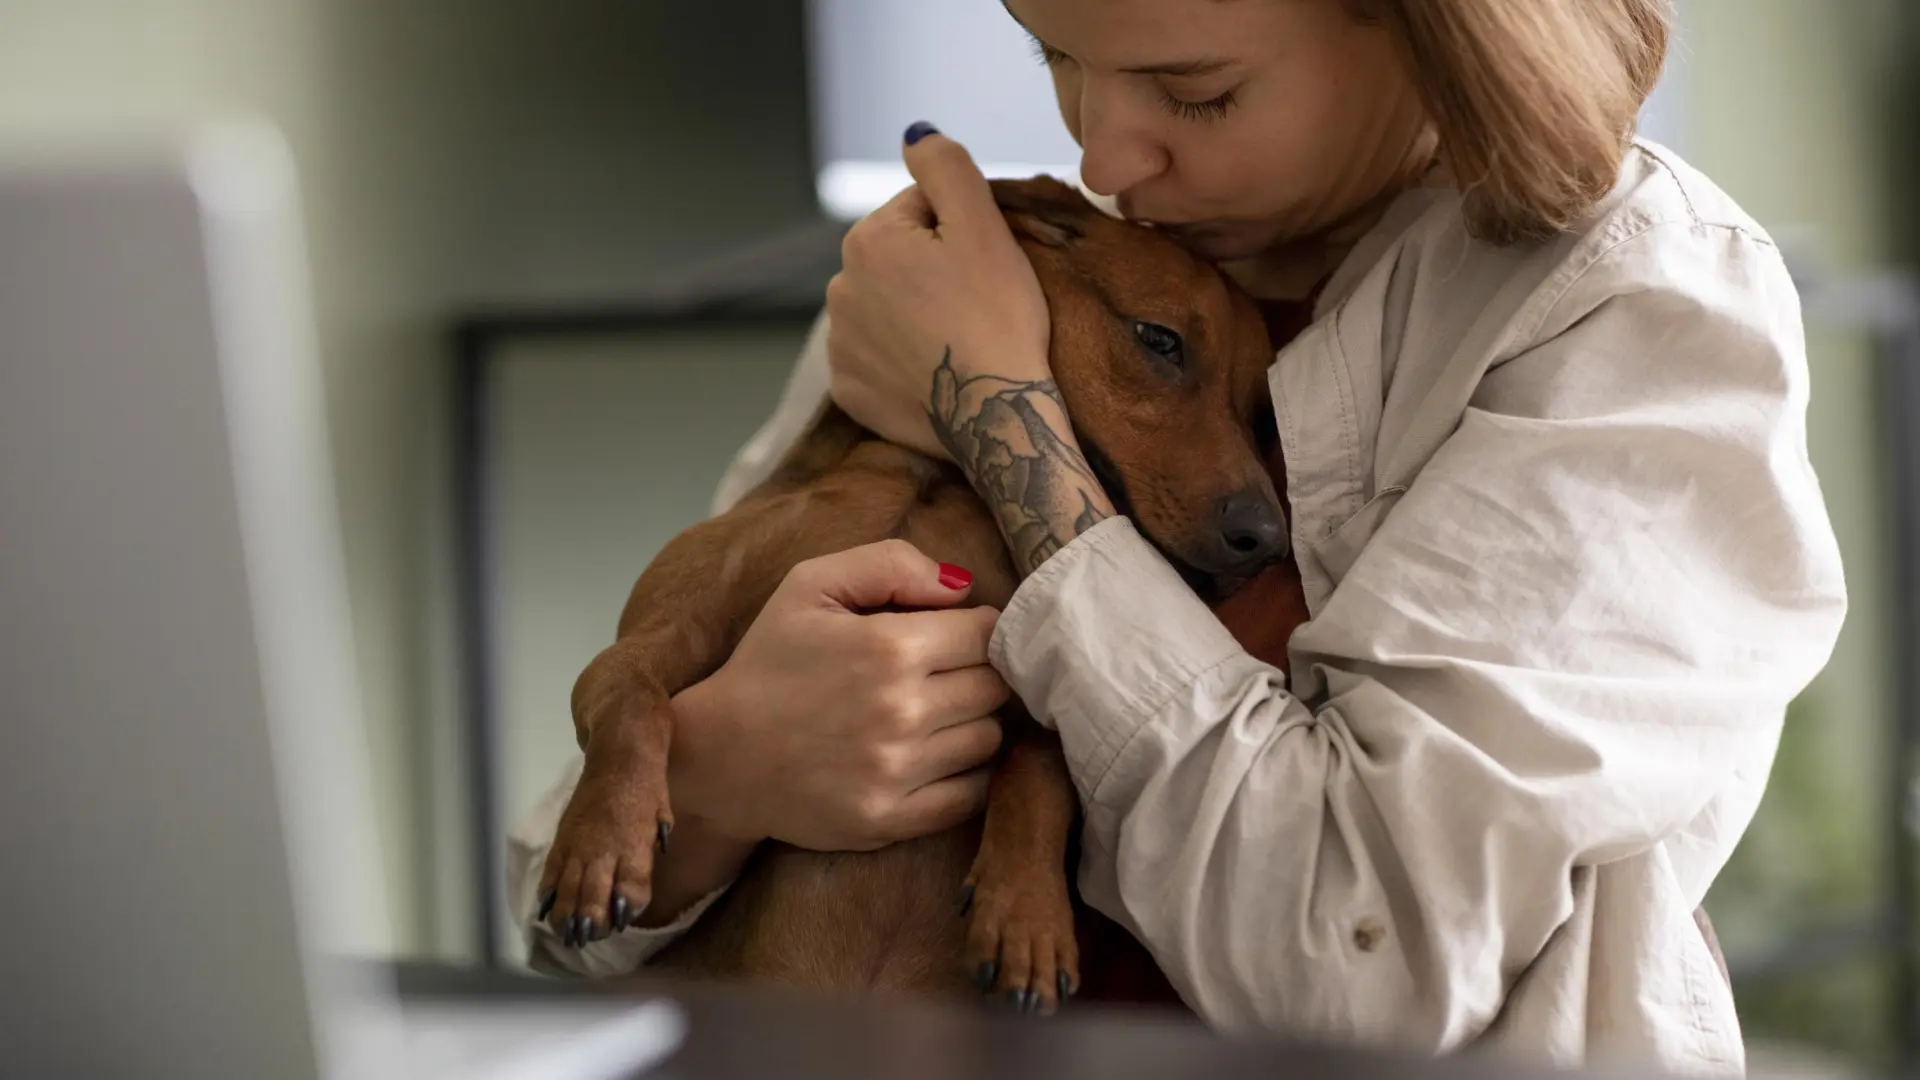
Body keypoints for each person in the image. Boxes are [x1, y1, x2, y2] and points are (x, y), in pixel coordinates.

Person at [506, 0, 1848, 1072]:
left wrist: (999, 416)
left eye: (1198, 92)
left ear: (1427, 20)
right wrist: (729, 778)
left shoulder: (1625, 308)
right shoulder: (994, 261)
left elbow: (1364, 975)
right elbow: (559, 911)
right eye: (1053, 55)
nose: (1105, 155)